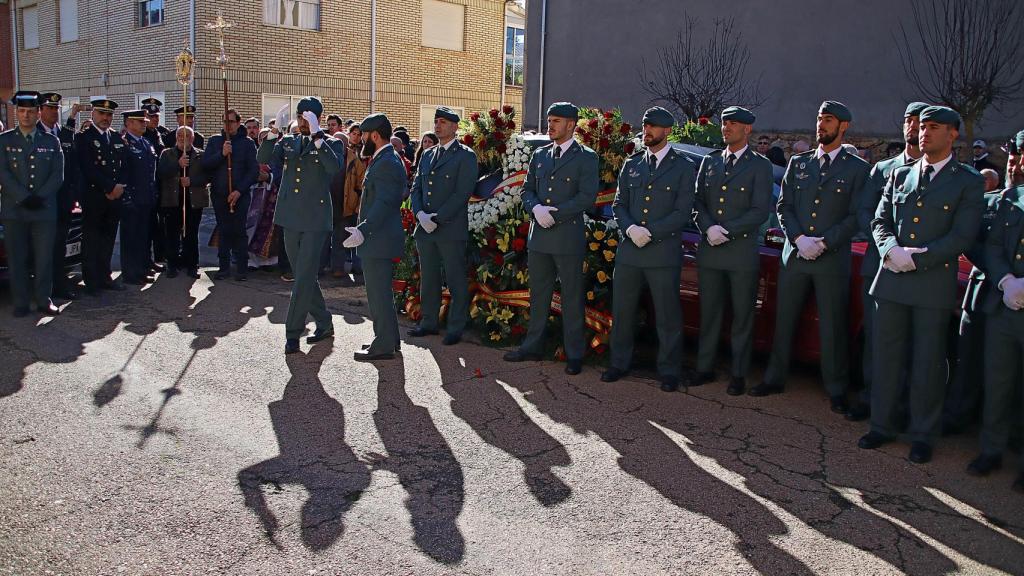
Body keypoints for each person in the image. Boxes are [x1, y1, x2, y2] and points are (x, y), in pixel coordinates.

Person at [859, 105, 985, 464]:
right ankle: (882, 425)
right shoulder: (900, 174)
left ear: (953, 134)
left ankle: (922, 434)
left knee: (927, 363)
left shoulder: (967, 181)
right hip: (891, 281)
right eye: (922, 126)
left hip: (931, 284)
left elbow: (962, 235)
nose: (924, 132)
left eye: (933, 127)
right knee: (886, 359)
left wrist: (918, 258)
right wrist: (890, 250)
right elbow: (880, 220)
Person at [749, 101, 870, 416]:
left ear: (843, 126)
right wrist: (799, 239)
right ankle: (774, 378)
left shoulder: (857, 169)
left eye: (828, 120)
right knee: (784, 319)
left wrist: (826, 241)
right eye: (819, 119)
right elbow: (784, 206)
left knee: (833, 325)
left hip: (831, 258)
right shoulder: (800, 163)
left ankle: (836, 388)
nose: (821, 125)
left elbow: (857, 215)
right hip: (796, 254)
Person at [601, 106, 695, 391]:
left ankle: (669, 370)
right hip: (631, 251)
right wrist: (631, 229)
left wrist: (651, 232)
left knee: (667, 315)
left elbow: (682, 211)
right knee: (623, 311)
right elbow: (619, 204)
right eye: (645, 125)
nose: (647, 131)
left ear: (667, 131)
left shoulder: (683, 167)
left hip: (662, 252)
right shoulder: (633, 164)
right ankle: (619, 362)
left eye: (653, 126)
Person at [503, 102, 599, 375]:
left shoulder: (586, 157)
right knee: (539, 294)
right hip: (540, 237)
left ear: (571, 125)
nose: (550, 126)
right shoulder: (541, 154)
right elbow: (527, 190)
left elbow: (586, 196)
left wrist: (554, 214)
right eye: (549, 121)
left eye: (556, 121)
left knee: (571, 296)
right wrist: (535, 208)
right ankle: (532, 346)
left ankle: (574, 353)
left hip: (567, 236)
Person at [847, 101, 927, 422]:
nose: (912, 127)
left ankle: (903, 404)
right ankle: (871, 397)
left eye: (919, 121)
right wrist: (889, 247)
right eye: (908, 120)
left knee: (913, 342)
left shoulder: (943, 174)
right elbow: (865, 212)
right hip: (880, 265)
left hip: (919, 269)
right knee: (876, 337)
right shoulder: (882, 169)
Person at [691, 106, 773, 395]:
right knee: (710, 313)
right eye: (724, 123)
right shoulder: (711, 161)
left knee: (742, 316)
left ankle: (738, 373)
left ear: (747, 129)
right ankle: (704, 367)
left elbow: (760, 210)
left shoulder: (760, 166)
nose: (726, 128)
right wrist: (707, 228)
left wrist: (725, 230)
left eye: (733, 124)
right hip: (711, 250)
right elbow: (698, 201)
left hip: (740, 252)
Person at [258, 96, 344, 355]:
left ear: (318, 118)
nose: (303, 122)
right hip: (290, 217)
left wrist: (318, 136)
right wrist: (273, 132)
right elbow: (263, 157)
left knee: (302, 277)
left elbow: (334, 168)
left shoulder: (330, 144)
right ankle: (324, 322)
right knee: (303, 275)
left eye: (309, 118)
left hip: (315, 219)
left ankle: (293, 332)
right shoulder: (289, 141)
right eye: (300, 117)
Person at [966, 129, 1024, 492]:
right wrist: (1005, 280)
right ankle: (991, 449)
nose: (1019, 160)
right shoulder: (1010, 198)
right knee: (997, 381)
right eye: (1019, 152)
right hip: (1004, 305)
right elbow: (994, 245)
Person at [407, 107, 478, 346]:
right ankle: (429, 321)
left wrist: (435, 218)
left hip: (449, 227)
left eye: (444, 122)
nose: (438, 126)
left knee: (455, 278)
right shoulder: (428, 154)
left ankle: (456, 326)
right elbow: (416, 187)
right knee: (429, 277)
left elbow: (462, 193)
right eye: (436, 121)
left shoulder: (465, 156)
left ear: (455, 127)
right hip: (425, 227)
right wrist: (420, 214)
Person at [342, 113, 404, 360]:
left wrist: (363, 230)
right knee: (381, 294)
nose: (361, 140)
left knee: (378, 295)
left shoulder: (387, 161)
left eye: (364, 135)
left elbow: (384, 202)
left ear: (375, 136)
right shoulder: (384, 158)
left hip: (379, 238)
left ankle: (383, 345)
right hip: (379, 238)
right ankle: (389, 339)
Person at [0, 91, 64, 316]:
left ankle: (44, 300)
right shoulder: (4, 140)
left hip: (43, 210)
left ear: (38, 113)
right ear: (16, 113)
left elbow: (57, 175)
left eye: (30, 111)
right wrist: (24, 197)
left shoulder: (51, 141)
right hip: (14, 210)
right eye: (22, 111)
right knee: (17, 258)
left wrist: (40, 197)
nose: (26, 115)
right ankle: (21, 302)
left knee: (44, 258)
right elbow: (3, 174)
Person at [76, 98, 126, 295]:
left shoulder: (116, 137)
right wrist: (109, 187)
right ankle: (92, 281)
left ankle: (105, 276)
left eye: (109, 115)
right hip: (94, 197)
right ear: (93, 114)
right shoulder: (84, 138)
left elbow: (124, 166)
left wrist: (119, 187)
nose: (106, 118)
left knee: (108, 239)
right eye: (102, 113)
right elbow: (87, 168)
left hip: (114, 198)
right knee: (92, 240)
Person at [202, 108, 259, 281]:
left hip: (240, 194)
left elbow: (253, 171)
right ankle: (223, 267)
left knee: (239, 231)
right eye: (225, 122)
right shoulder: (215, 141)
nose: (228, 125)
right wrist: (222, 154)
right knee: (224, 230)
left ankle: (242, 268)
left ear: (238, 123)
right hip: (219, 194)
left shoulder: (247, 143)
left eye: (231, 122)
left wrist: (239, 191)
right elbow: (206, 164)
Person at [37, 92, 81, 301]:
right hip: (43, 202)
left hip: (63, 201)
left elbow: (71, 166)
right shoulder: (34, 134)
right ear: (40, 110)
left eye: (56, 108)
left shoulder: (62, 134)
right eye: (50, 108)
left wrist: (73, 195)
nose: (54, 112)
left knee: (60, 245)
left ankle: (59, 286)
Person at [157, 126, 208, 279]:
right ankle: (172, 265)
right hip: (172, 200)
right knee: (172, 234)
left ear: (192, 138)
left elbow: (207, 177)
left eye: (186, 135)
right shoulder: (167, 154)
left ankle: (191, 264)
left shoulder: (201, 155)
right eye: (179, 135)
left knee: (191, 234)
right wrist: (177, 165)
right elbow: (161, 173)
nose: (182, 138)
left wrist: (192, 181)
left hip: (193, 201)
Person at [117, 109, 159, 286]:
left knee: (142, 237)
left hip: (146, 197)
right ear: (129, 123)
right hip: (132, 198)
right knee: (130, 239)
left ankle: (141, 269)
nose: (144, 124)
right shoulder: (124, 143)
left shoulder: (145, 142)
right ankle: (130, 273)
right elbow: (122, 173)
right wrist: (126, 197)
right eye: (140, 121)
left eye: (144, 122)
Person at [140, 98, 167, 274]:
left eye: (156, 116)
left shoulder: (160, 133)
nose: (155, 119)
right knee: (146, 227)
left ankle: (158, 257)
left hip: (159, 185)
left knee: (159, 225)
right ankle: (145, 260)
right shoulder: (141, 135)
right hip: (146, 186)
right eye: (151, 116)